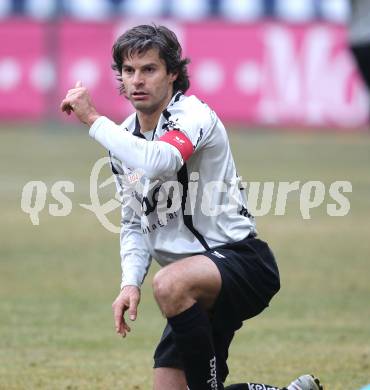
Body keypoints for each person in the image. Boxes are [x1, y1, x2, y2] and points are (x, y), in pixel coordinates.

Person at [61, 24, 323, 390]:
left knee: (168, 283)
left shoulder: (192, 115)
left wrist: (92, 119)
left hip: (241, 263)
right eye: (129, 70)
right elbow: (135, 222)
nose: (137, 80)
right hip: (189, 290)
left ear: (172, 73)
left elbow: (160, 160)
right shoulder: (123, 141)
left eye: (149, 69)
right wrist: (129, 283)